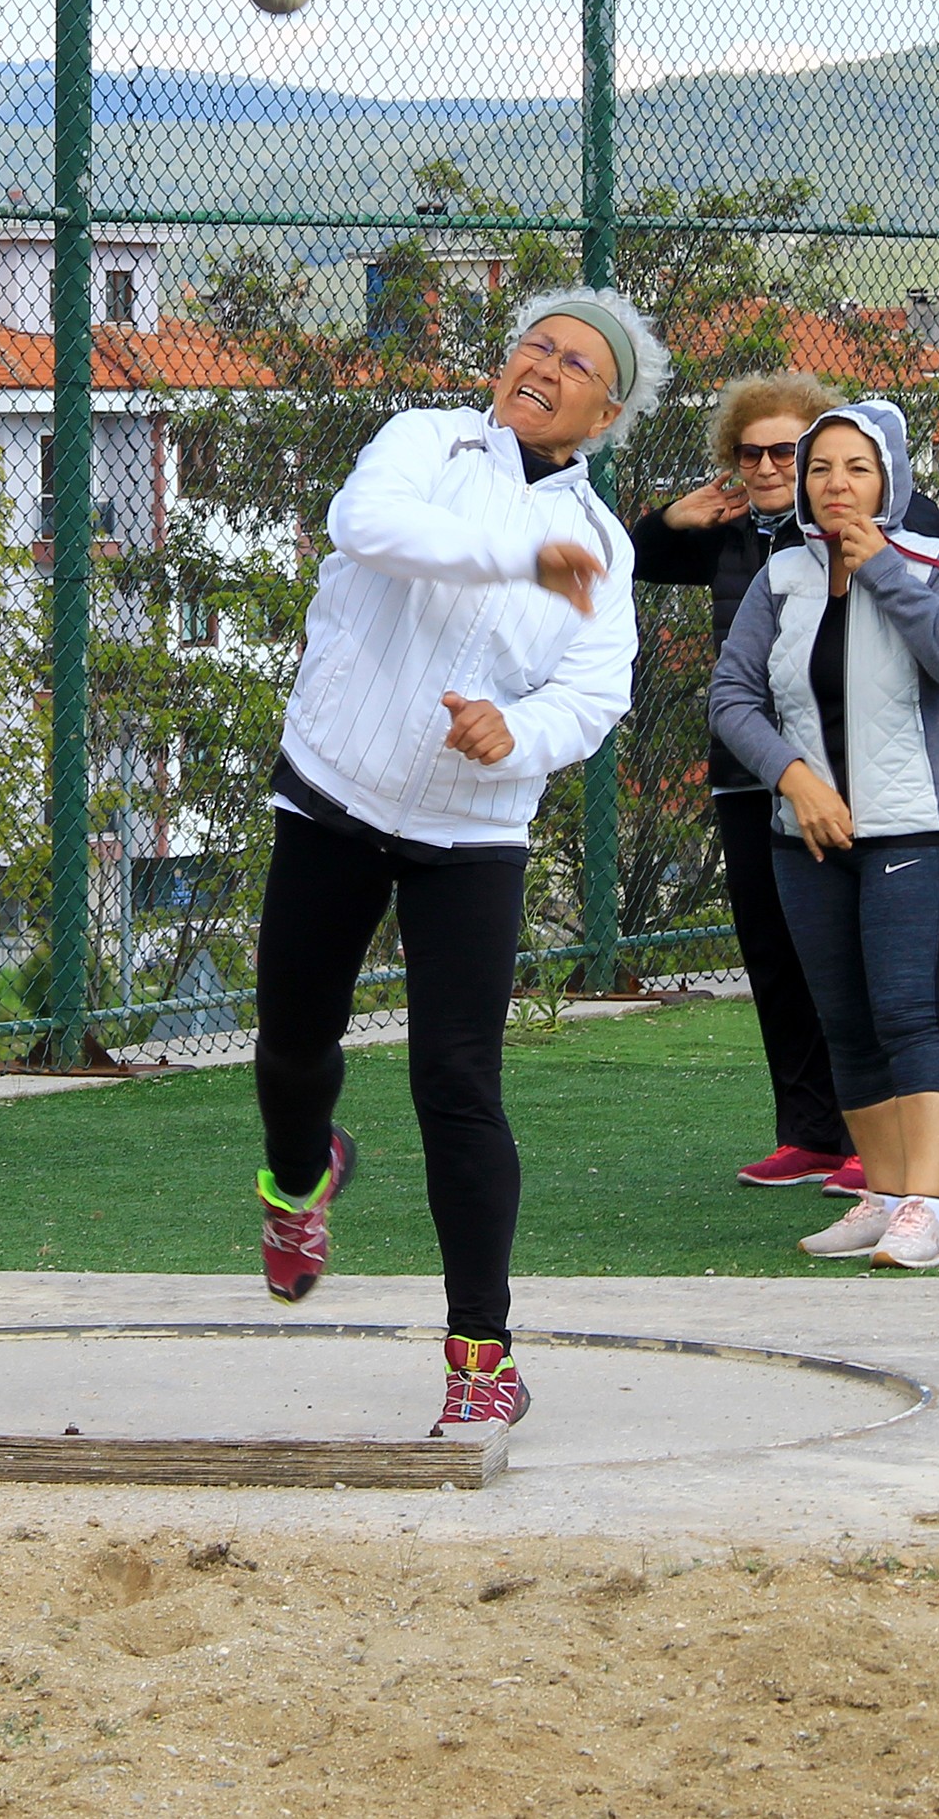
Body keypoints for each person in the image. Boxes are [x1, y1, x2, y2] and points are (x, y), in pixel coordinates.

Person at [252, 288, 657, 1432]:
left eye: (575, 361)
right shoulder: (426, 439)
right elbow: (370, 530)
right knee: (292, 1044)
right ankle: (298, 1179)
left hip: (471, 831)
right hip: (336, 788)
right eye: (535, 342)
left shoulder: (606, 550)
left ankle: (483, 1356)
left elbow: (592, 692)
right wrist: (520, 555)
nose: (544, 364)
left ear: (605, 410)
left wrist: (514, 734)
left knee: (459, 1085)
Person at [710, 399, 939, 1270]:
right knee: (845, 1021)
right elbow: (732, 697)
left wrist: (886, 575)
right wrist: (794, 779)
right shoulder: (780, 577)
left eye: (856, 469)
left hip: (916, 825)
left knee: (909, 1011)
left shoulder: (933, 562)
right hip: (806, 832)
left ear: (891, 480)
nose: (836, 485)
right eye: (820, 469)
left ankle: (927, 1209)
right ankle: (881, 1196)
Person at [631, 371, 859, 1193]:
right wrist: (669, 519)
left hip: (839, 776)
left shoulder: (857, 529)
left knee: (847, 954)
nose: (765, 466)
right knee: (772, 952)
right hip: (744, 776)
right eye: (748, 452)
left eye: (784, 451)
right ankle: (810, 1134)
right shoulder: (731, 538)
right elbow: (630, 558)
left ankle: (874, 1130)